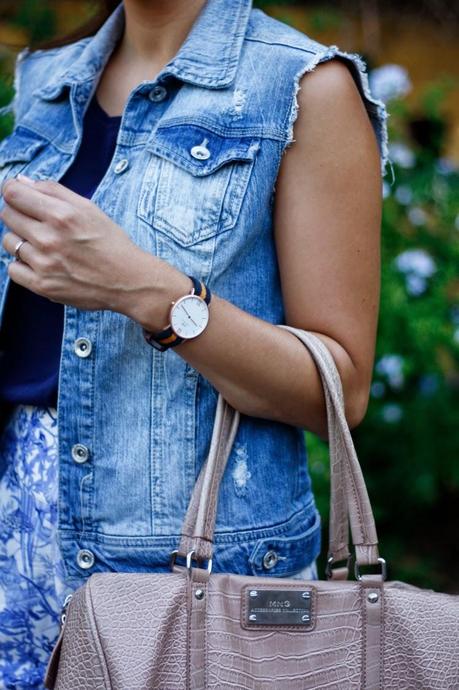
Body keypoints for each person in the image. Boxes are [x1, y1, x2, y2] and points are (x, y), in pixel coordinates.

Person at [0, 0, 388, 685]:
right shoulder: (46, 78)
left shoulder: (303, 88)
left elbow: (340, 386)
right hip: (13, 545)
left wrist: (147, 292)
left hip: (183, 568)